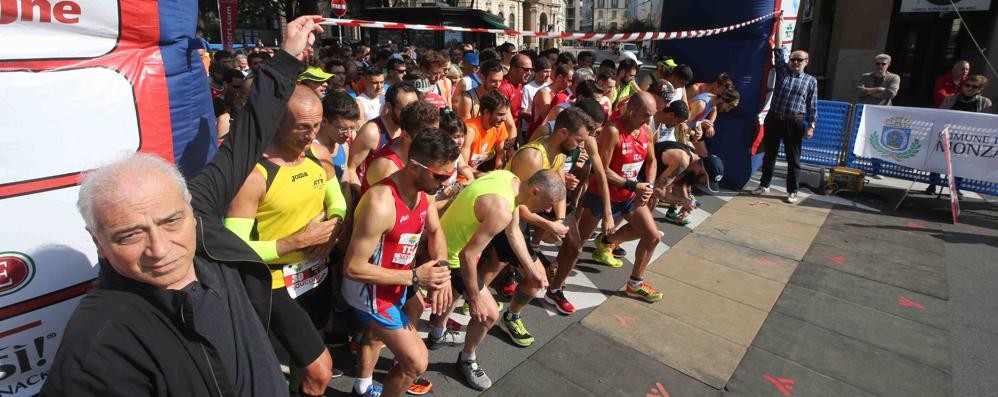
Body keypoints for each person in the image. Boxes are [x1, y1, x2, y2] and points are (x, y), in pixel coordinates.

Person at [41, 16, 324, 397]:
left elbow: (249, 133)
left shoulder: (200, 213)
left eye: (171, 221)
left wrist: (288, 57)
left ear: (192, 207)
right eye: (129, 235)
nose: (160, 250)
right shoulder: (98, 349)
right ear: (97, 241)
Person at [224, 85, 347, 395]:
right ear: (277, 120)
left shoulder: (318, 155)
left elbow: (338, 203)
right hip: (274, 283)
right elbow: (233, 247)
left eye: (317, 125)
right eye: (303, 126)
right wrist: (297, 240)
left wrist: (334, 227)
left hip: (315, 274)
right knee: (320, 373)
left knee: (305, 363)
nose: (311, 134)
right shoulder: (254, 174)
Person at [342, 129, 459, 397]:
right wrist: (415, 278)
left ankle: (362, 386)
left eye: (448, 176)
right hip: (369, 291)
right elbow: (353, 267)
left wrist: (441, 271)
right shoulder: (381, 202)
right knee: (416, 361)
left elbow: (435, 231)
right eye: (439, 176)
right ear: (415, 167)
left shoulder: (425, 191)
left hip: (399, 277)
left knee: (410, 310)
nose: (444, 184)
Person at [428, 170, 566, 391]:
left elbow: (514, 233)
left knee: (457, 295)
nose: (549, 210)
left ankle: (437, 335)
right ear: (535, 191)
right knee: (488, 314)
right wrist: (474, 299)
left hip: (447, 241)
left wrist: (533, 271)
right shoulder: (501, 208)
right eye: (548, 203)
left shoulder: (508, 179)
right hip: (449, 255)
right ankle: (467, 359)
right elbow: (468, 257)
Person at [564, 92, 664, 302]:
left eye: (651, 116)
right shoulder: (613, 130)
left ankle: (635, 283)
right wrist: (634, 184)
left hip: (630, 195)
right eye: (645, 115)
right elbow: (603, 170)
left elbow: (652, 161)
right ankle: (557, 277)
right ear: (631, 110)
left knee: (652, 236)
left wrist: (649, 185)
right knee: (577, 243)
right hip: (602, 194)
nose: (648, 120)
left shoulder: (645, 130)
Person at [753, 14, 818, 204]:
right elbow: (778, 50)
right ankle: (764, 185)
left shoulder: (810, 81)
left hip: (795, 121)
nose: (795, 62)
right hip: (775, 118)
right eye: (793, 59)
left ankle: (792, 190)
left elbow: (812, 104)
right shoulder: (783, 71)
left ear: (806, 62)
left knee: (793, 158)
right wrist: (779, 25)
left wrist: (811, 125)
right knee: (770, 155)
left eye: (799, 60)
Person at [346, 82, 420, 190]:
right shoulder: (372, 132)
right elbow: (350, 168)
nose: (412, 114)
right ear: (389, 106)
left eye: (415, 107)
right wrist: (363, 197)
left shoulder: (409, 129)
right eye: (405, 109)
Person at [927, 75, 993, 195]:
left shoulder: (985, 102)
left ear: (980, 89)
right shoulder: (951, 98)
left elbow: (986, 122)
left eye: (974, 87)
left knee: (961, 164)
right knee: (937, 159)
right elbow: (941, 115)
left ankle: (956, 188)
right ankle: (932, 184)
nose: (970, 88)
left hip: (968, 139)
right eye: (967, 85)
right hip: (948, 135)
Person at [462, 90, 511, 173]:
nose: (504, 119)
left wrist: (496, 172)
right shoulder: (470, 131)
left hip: (479, 169)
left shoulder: (499, 126)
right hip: (462, 175)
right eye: (500, 114)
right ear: (486, 112)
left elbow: (500, 153)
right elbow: (462, 165)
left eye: (505, 114)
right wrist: (483, 176)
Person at [317, 92, 362, 180]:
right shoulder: (310, 150)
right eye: (343, 129)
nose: (348, 135)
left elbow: (345, 183)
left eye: (352, 128)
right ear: (324, 122)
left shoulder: (343, 146)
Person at [499, 54, 533, 144]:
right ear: (514, 69)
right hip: (504, 137)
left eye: (531, 70)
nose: (529, 73)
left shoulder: (519, 85)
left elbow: (517, 116)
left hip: (514, 134)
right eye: (526, 69)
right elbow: (503, 119)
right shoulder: (503, 88)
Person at [520, 56, 551, 134]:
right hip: (529, 129)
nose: (548, 75)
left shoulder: (549, 87)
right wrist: (536, 119)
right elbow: (523, 111)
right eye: (545, 71)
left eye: (549, 71)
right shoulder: (527, 88)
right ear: (536, 72)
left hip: (544, 129)